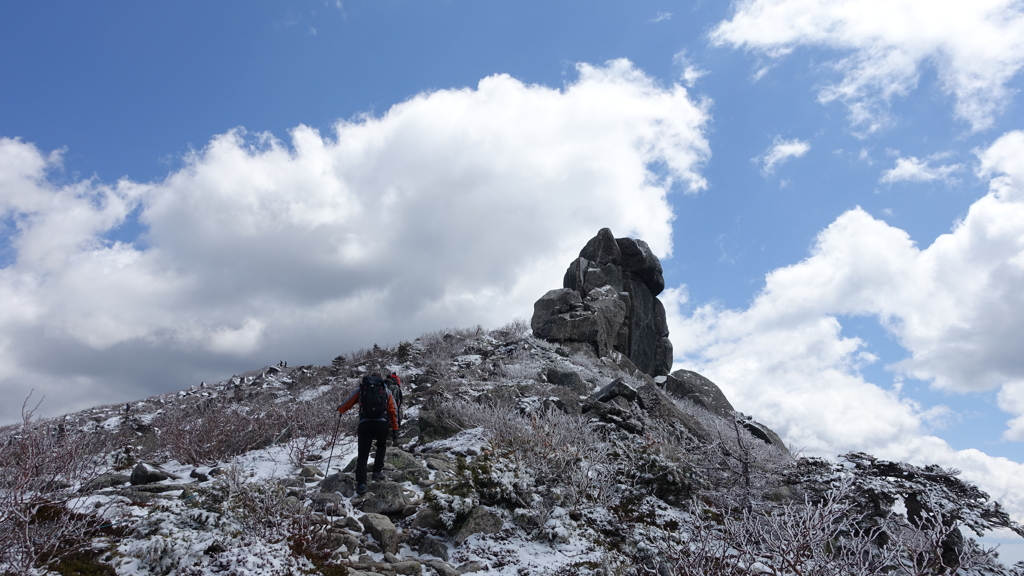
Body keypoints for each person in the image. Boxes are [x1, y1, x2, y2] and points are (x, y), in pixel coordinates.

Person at [337, 373, 399, 494]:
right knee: (381, 446)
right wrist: (395, 428)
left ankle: (361, 484)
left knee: (363, 454)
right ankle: (377, 472)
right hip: (382, 423)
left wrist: (340, 409)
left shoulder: (363, 389)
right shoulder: (385, 390)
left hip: (365, 423)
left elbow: (347, 402)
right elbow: (393, 409)